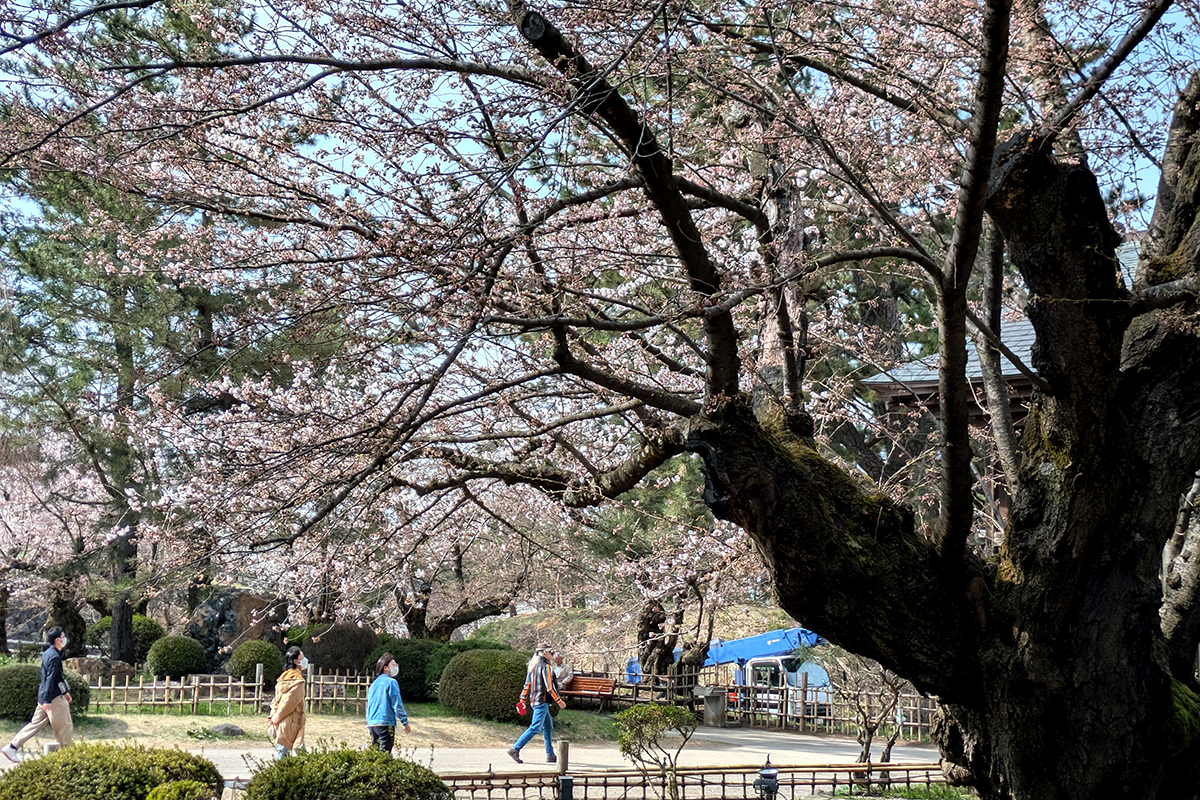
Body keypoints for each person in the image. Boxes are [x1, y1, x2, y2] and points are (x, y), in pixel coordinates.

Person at [1, 626, 73, 763]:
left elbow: (57, 677)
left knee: (35, 724)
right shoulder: (55, 657)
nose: (65, 639)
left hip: (46, 696)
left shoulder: (48, 653)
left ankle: (11, 747)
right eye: (63, 637)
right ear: (58, 640)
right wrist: (48, 700)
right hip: (53, 699)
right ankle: (68, 757)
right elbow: (50, 679)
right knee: (65, 727)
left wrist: (66, 691)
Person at [507, 643, 565, 764]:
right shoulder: (546, 667)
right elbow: (550, 687)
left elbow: (526, 686)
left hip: (535, 702)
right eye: (551, 652)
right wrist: (559, 701)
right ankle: (515, 749)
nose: (552, 655)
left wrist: (522, 700)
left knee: (547, 726)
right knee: (535, 727)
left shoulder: (532, 667)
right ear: (544, 652)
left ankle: (550, 755)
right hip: (542, 702)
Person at [267, 645, 308, 759]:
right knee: (285, 750)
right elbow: (290, 703)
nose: (305, 659)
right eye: (302, 656)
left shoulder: (282, 678)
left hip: (281, 719)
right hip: (292, 719)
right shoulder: (298, 681)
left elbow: (277, 700)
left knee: (297, 748)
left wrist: (274, 714)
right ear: (296, 661)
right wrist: (276, 718)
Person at [365, 652, 411, 755]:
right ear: (385, 667)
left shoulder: (373, 684)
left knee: (375, 756)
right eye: (393, 665)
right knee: (384, 756)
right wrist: (405, 722)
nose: (396, 667)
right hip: (386, 723)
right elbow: (397, 704)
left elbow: (369, 705)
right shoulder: (391, 682)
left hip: (373, 724)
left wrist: (369, 723)